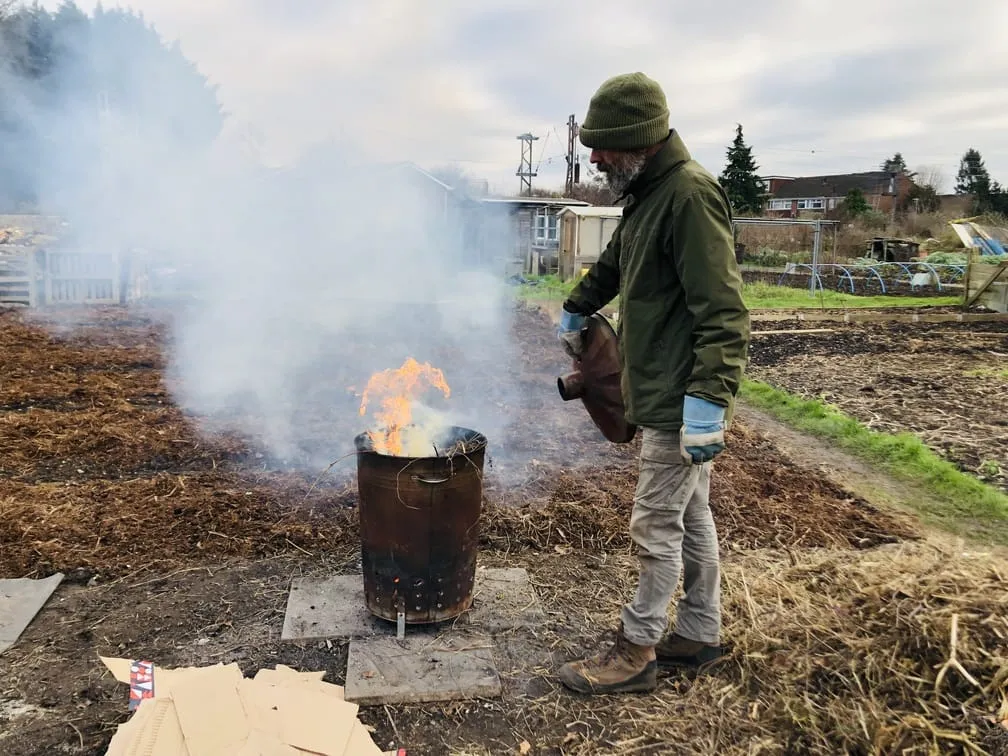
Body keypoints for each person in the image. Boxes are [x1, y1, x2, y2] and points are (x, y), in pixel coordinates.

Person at [556, 72, 750, 695]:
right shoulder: (648, 193)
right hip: (661, 390)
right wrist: (578, 305)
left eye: (602, 145)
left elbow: (724, 310)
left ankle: (636, 649)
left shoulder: (690, 196)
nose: (593, 157)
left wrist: (708, 401)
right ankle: (698, 631)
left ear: (637, 140)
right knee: (692, 517)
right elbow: (616, 263)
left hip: (680, 397)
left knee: (654, 525)